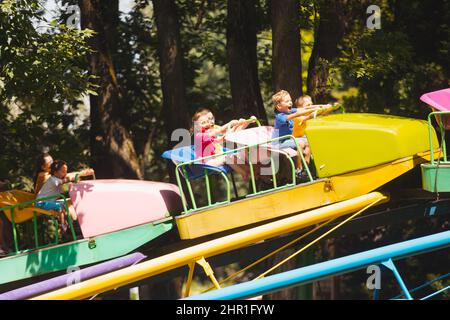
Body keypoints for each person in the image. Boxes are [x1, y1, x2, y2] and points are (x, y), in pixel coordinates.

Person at [271, 90, 321, 180]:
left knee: (309, 142)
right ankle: (298, 170)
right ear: (279, 106)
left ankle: (306, 169)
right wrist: (314, 110)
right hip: (279, 143)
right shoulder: (280, 117)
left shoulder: (289, 111)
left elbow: (304, 109)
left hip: (288, 139)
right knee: (301, 143)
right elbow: (298, 113)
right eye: (287, 101)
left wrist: (321, 106)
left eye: (290, 100)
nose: (290, 102)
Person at [192, 108, 252, 181]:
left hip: (214, 160)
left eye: (207, 121)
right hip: (205, 164)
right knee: (226, 158)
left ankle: (250, 172)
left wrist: (242, 124)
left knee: (233, 156)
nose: (207, 124)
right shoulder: (199, 136)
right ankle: (244, 174)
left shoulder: (208, 135)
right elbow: (217, 132)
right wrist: (229, 124)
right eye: (203, 123)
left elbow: (225, 136)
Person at [36, 160, 94, 229]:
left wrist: (84, 173)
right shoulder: (53, 180)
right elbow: (64, 181)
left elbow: (70, 175)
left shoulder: (58, 177)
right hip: (41, 203)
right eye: (63, 171)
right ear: (55, 172)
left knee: (67, 202)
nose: (65, 173)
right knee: (61, 205)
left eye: (66, 171)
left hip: (48, 201)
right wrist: (71, 179)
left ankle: (73, 222)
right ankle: (64, 225)